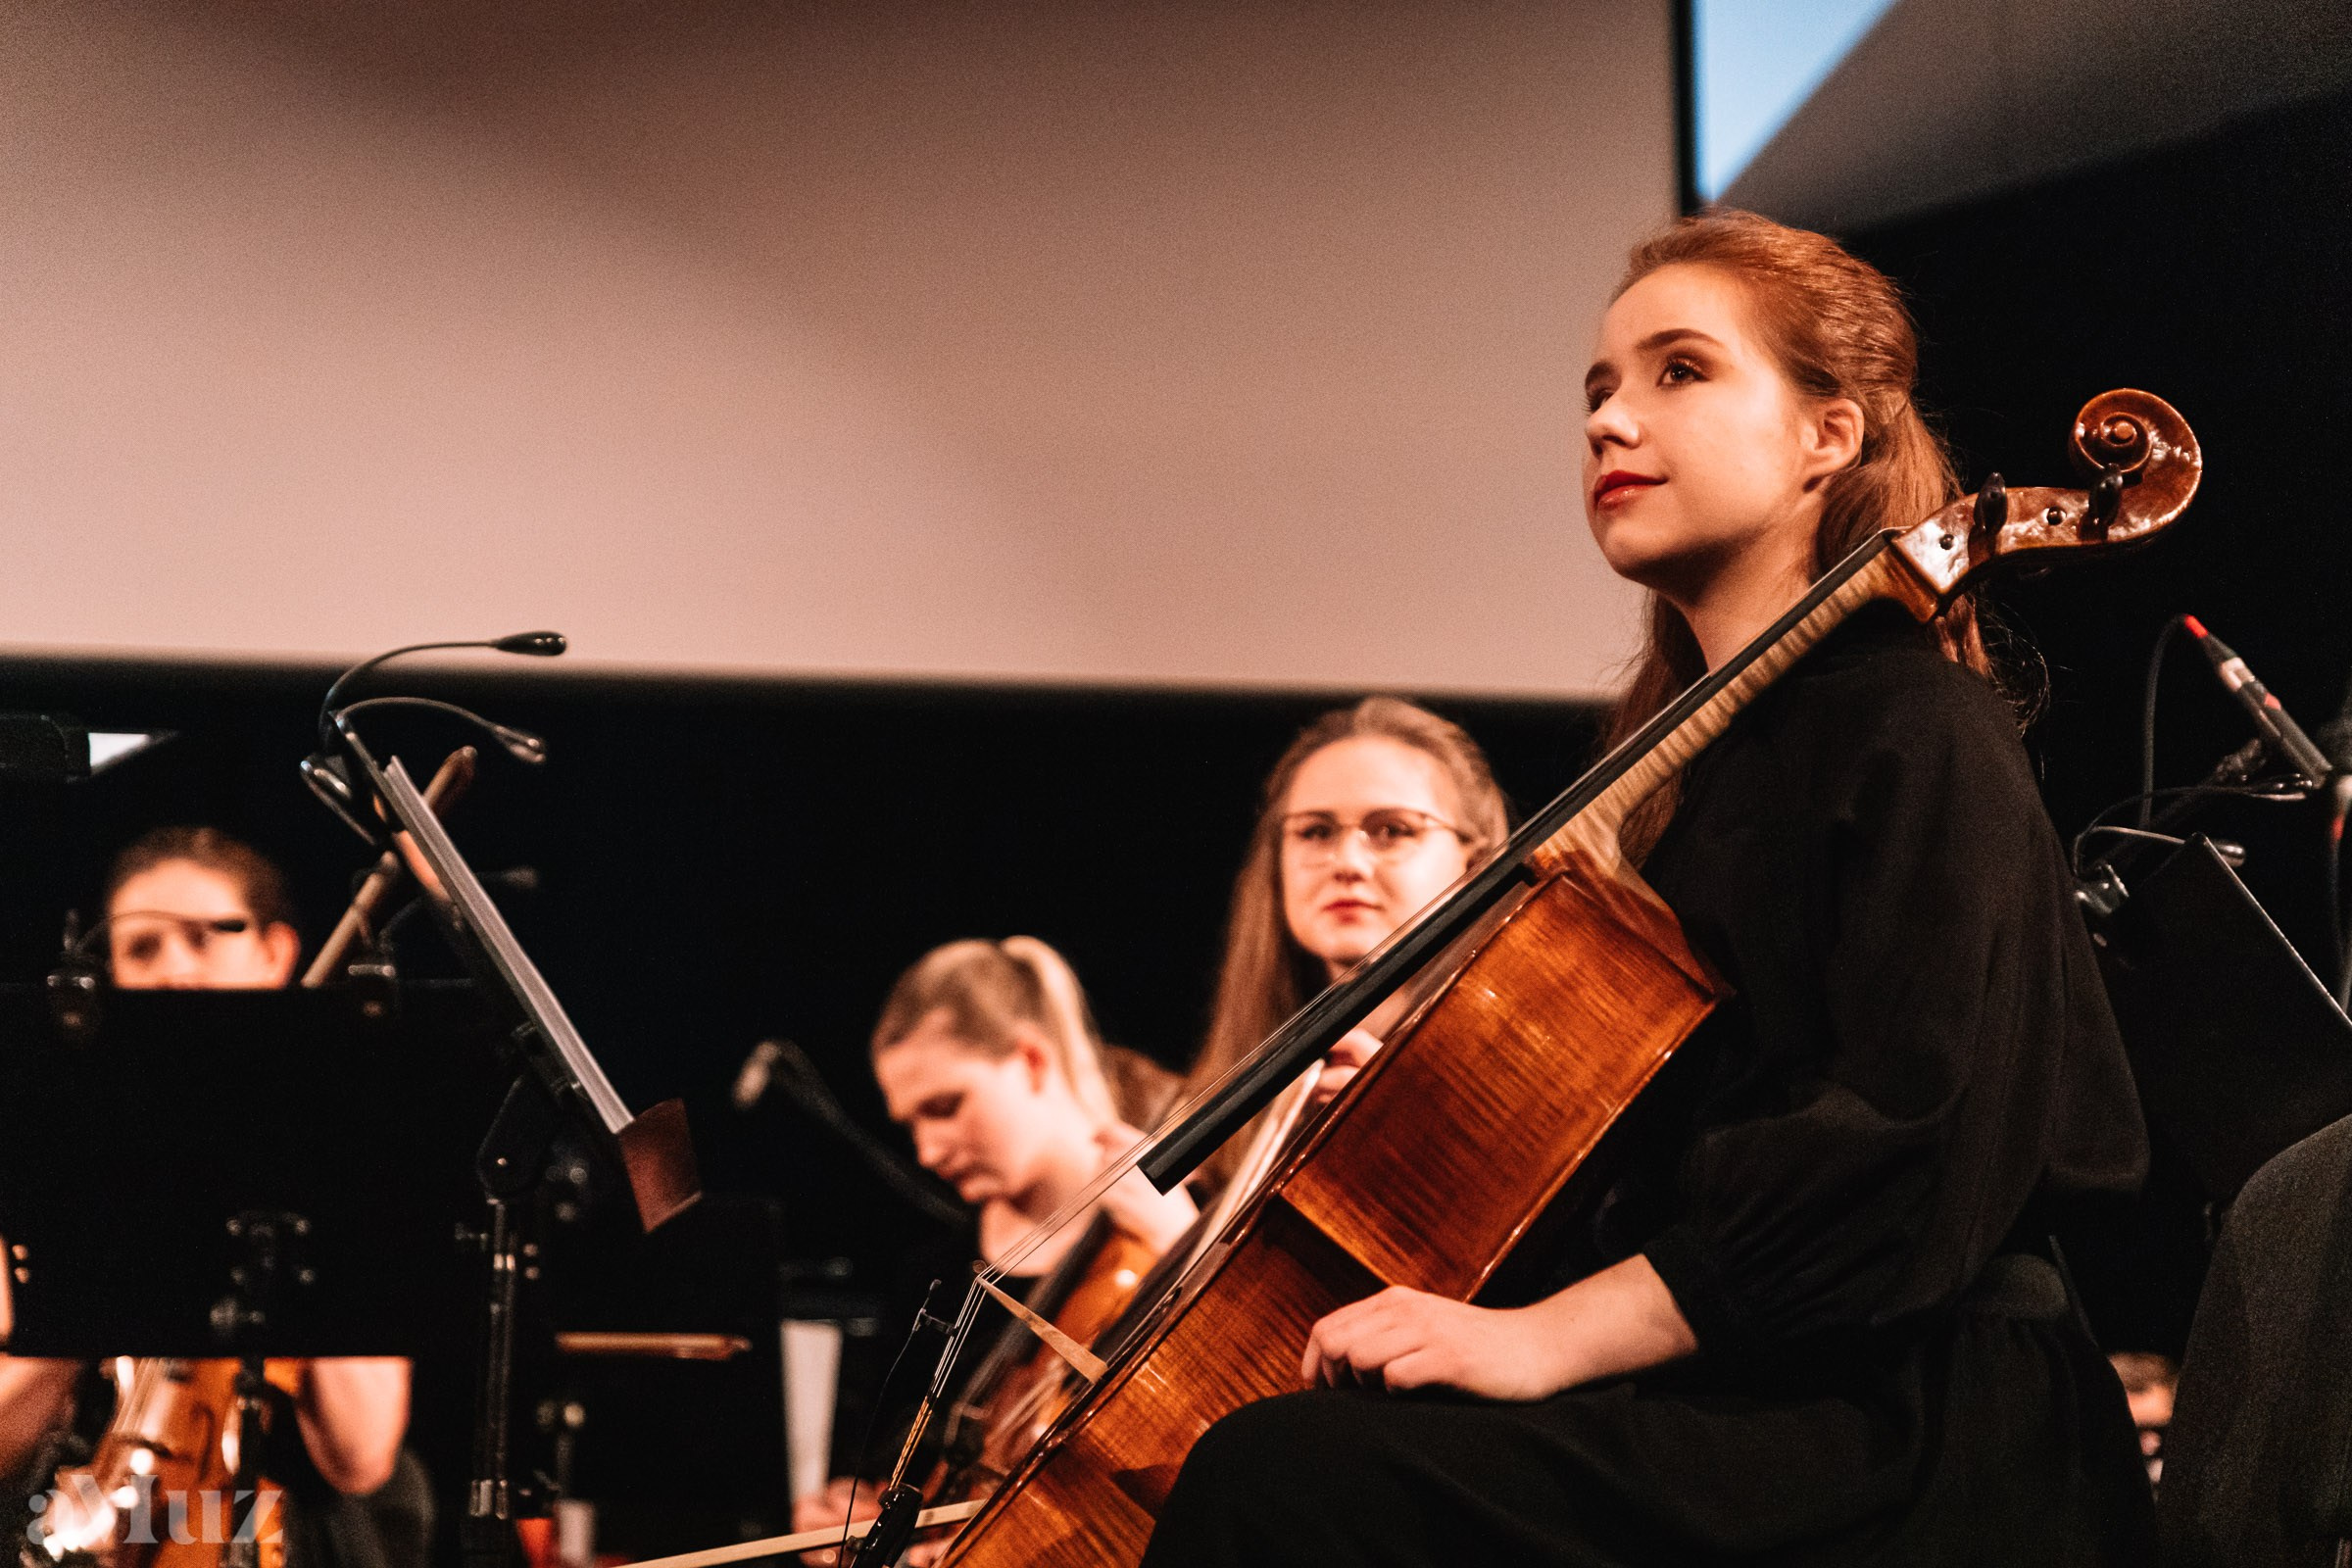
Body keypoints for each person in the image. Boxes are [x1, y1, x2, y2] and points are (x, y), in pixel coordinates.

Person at [1139, 211, 2153, 1565]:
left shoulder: (1916, 725)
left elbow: (1908, 1141)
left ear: (1826, 435)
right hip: (1771, 1390)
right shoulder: (1691, 785)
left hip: (1920, 1429)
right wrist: (1441, 1119)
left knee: (1290, 1485)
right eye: (1598, 392)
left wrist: (1545, 1336)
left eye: (1680, 373)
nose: (1613, 422)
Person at [0, 827, 430, 1568]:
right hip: (89, 1523)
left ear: (276, 952)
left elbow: (361, 1457)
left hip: (285, 1533)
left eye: (206, 939)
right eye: (142, 949)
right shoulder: (48, 1145)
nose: (174, 972)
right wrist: (98, 1263)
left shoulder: (338, 1146)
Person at [790, 937, 1195, 1560]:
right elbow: (877, 1469)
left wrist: (1185, 1247)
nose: (926, 1151)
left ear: (1032, 1061)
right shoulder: (934, 1271)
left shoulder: (1174, 1215)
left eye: (945, 1108)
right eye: (911, 1124)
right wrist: (846, 1512)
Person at [1180, 696, 1510, 1194]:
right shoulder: (1212, 1096)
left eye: (1393, 830)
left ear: (1473, 862)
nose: (1347, 862)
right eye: (1315, 832)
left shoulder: (1520, 1101)